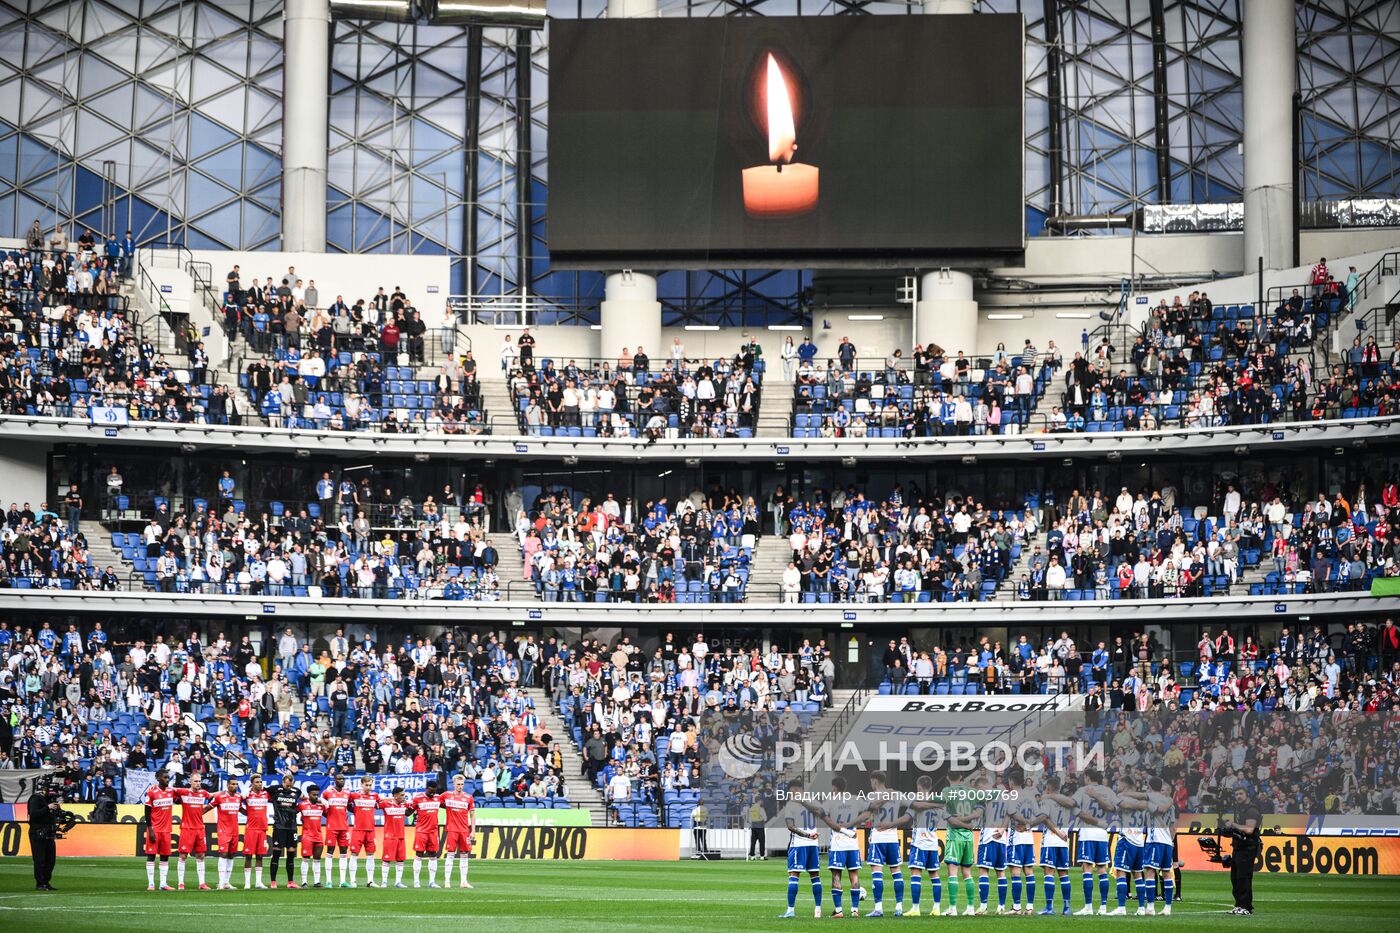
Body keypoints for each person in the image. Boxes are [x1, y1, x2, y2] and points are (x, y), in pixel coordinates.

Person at [860, 770, 904, 918]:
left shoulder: (872, 795)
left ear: (875, 780)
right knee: (896, 873)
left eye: (871, 781)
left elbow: (872, 808)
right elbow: (912, 805)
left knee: (877, 874)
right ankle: (899, 907)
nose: (870, 784)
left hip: (878, 838)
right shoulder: (896, 794)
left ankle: (878, 908)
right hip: (892, 838)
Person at [778, 776, 823, 919]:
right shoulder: (813, 801)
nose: (793, 794)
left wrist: (806, 835)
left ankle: (791, 910)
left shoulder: (791, 805)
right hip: (812, 844)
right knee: (815, 877)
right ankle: (818, 910)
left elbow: (791, 827)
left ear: (801, 790)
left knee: (794, 875)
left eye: (795, 791)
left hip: (799, 844)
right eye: (791, 792)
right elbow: (819, 812)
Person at [904, 776, 944, 917]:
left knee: (916, 875)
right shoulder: (938, 802)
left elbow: (916, 808)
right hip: (933, 844)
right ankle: (937, 908)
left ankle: (915, 909)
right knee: (935, 876)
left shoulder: (917, 800)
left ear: (919, 786)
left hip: (919, 843)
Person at [1223, 786, 1261, 915]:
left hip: (1248, 847)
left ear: (1247, 795)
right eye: (1236, 794)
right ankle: (1239, 905)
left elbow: (1249, 829)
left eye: (1241, 794)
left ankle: (1246, 907)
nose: (1238, 796)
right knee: (1235, 878)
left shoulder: (1252, 810)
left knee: (1243, 877)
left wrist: (1233, 824)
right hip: (1238, 847)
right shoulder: (1239, 809)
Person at [173, 776, 213, 890]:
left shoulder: (203, 793)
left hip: (200, 828)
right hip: (187, 828)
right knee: (183, 855)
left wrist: (224, 792)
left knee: (201, 855)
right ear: (190, 782)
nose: (198, 783)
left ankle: (202, 883)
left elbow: (212, 795)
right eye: (196, 781)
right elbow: (170, 790)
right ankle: (181, 883)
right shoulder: (183, 792)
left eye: (200, 781)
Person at [440, 772, 476, 888]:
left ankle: (463, 882)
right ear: (453, 784)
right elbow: (437, 802)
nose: (460, 786)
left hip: (464, 830)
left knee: (464, 855)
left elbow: (472, 815)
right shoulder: (446, 795)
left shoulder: (468, 798)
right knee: (450, 854)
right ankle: (447, 881)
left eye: (462, 784)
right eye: (458, 784)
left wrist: (473, 831)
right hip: (452, 829)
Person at [143, 769, 178, 890]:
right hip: (155, 829)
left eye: (168, 777)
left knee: (165, 856)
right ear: (158, 778)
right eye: (165, 777)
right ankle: (151, 884)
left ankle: (163, 884)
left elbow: (181, 797)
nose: (167, 780)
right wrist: (150, 830)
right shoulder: (151, 793)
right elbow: (147, 814)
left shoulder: (171, 792)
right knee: (151, 855)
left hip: (166, 830)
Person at [268, 772, 302, 889]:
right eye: (287, 784)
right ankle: (273, 881)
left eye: (290, 784)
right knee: (277, 852)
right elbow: (261, 791)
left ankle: (290, 882)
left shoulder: (296, 792)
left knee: (291, 853)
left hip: (292, 827)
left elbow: (304, 798)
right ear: (283, 782)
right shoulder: (274, 790)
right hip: (279, 826)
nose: (288, 786)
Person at [26, 777, 60, 890]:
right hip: (37, 832)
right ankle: (40, 883)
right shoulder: (35, 799)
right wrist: (47, 807)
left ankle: (46, 881)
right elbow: (34, 814)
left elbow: (52, 815)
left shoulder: (49, 799)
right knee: (40, 859)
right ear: (44, 789)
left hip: (49, 832)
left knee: (50, 860)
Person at [320, 772, 353, 886]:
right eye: (339, 779)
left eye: (343, 779)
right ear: (334, 780)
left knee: (344, 853)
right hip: (332, 827)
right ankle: (329, 881)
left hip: (344, 827)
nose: (341, 781)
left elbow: (349, 806)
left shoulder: (347, 793)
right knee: (330, 852)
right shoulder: (328, 792)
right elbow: (320, 800)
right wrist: (327, 812)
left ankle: (342, 881)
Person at [211, 776, 243, 890]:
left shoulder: (239, 797)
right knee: (223, 854)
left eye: (236, 784)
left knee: (231, 855)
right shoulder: (220, 797)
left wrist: (253, 812)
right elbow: (208, 807)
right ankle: (220, 883)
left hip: (235, 830)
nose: (235, 786)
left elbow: (242, 809)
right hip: (223, 830)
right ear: (227, 785)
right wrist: (196, 815)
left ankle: (226, 882)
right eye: (233, 784)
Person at [349, 774, 381, 886]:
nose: (368, 787)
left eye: (370, 785)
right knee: (354, 854)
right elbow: (347, 804)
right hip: (358, 829)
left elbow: (380, 804)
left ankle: (370, 881)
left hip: (371, 830)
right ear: (362, 785)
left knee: (371, 854)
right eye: (366, 785)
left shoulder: (375, 796)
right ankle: (353, 880)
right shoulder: (354, 795)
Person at [241, 773, 272, 889]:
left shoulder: (266, 794)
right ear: (252, 784)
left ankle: (258, 882)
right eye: (257, 782)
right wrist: (247, 813)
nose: (259, 784)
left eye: (260, 782)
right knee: (248, 856)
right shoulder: (247, 795)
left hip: (262, 828)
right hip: (251, 829)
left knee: (260, 856)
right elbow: (237, 803)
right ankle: (247, 883)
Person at [411, 779, 443, 888]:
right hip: (421, 831)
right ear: (426, 788)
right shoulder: (418, 798)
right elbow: (408, 812)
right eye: (430, 791)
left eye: (434, 791)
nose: (432, 793)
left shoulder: (438, 798)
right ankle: (416, 881)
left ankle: (432, 882)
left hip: (433, 831)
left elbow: (447, 806)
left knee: (433, 855)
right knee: (419, 854)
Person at [377, 787, 411, 888]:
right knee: (386, 860)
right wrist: (387, 798)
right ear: (395, 796)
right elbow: (375, 803)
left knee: (400, 860)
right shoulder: (386, 804)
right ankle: (384, 882)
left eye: (404, 795)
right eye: (401, 795)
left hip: (401, 836)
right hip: (390, 837)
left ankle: (398, 882)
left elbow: (411, 810)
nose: (403, 797)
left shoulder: (405, 804)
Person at [297, 784, 327, 888]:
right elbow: (292, 813)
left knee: (317, 859)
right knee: (305, 858)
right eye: (313, 794)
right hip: (307, 836)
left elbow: (329, 814)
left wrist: (327, 804)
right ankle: (304, 882)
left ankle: (317, 881)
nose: (316, 796)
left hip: (318, 835)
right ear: (309, 794)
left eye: (317, 795)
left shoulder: (321, 805)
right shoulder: (302, 805)